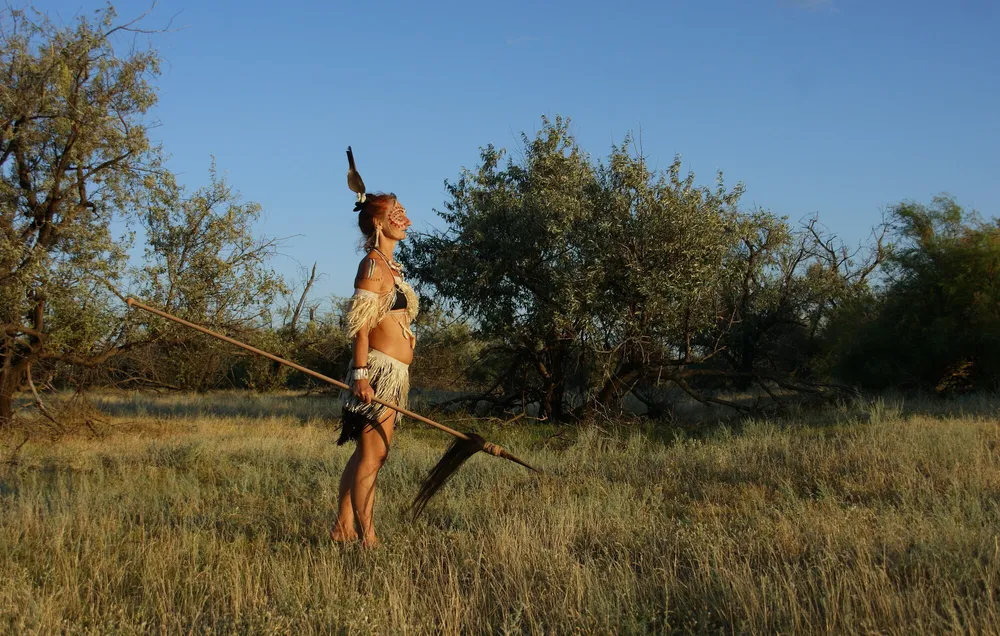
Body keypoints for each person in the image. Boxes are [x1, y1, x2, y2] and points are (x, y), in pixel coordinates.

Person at [331, 148, 418, 548]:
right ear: (379, 224)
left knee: (368, 453)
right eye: (397, 215)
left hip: (391, 375)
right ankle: (368, 537)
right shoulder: (371, 266)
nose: (406, 220)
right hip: (377, 375)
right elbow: (360, 327)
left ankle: (343, 528)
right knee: (373, 456)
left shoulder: (390, 266)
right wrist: (362, 376)